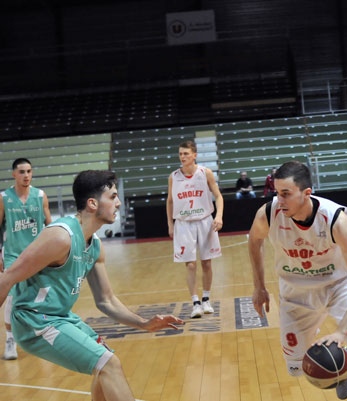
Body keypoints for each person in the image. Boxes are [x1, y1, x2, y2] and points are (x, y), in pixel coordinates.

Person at [0, 170, 183, 400]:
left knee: (104, 362)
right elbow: (6, 278)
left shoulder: (94, 245)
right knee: (108, 364)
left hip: (60, 317)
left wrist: (143, 324)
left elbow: (106, 300)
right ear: (93, 203)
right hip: (34, 320)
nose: (118, 203)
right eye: (113, 196)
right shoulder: (60, 237)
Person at [248, 161, 347, 401]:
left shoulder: (336, 219)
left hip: (339, 287)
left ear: (306, 193)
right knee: (298, 368)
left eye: (285, 194)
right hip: (295, 293)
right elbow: (254, 241)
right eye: (276, 193)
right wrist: (259, 287)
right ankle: (342, 370)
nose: (279, 200)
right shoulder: (268, 214)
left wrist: (341, 332)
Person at [0, 158, 52, 360]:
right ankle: (10, 339)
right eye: (21, 172)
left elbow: (50, 226)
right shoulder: (4, 198)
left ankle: (40, 334)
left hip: (37, 253)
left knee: (40, 294)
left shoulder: (40, 196)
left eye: (29, 171)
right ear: (13, 174)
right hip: (13, 254)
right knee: (12, 296)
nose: (26, 175)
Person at [166, 140, 224, 318]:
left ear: (194, 155)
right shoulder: (173, 176)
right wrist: (170, 223)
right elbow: (169, 201)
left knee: (207, 262)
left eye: (186, 154)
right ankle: (195, 303)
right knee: (190, 265)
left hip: (205, 221)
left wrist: (219, 216)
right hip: (183, 223)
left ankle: (206, 299)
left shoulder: (205, 173)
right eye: (180, 154)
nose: (182, 157)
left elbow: (218, 196)